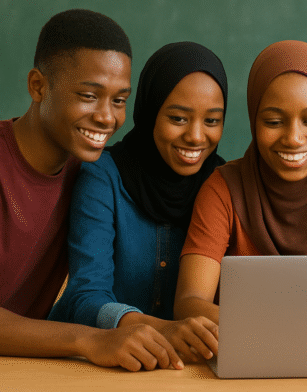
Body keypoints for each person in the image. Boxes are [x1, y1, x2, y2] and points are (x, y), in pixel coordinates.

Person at [0, 9, 185, 371]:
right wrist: (90, 339)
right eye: (89, 95)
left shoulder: (93, 173)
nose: (107, 117)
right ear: (38, 85)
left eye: (119, 100)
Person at [174, 40, 307, 324]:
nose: (294, 138)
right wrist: (276, 333)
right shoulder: (223, 188)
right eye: (273, 122)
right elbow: (189, 303)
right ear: (253, 119)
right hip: (246, 356)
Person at [48, 42, 228, 364]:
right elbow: (85, 296)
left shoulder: (223, 186)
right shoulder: (103, 177)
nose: (197, 137)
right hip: (95, 366)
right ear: (149, 112)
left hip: (187, 367)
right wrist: (159, 328)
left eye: (212, 121)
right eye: (178, 118)